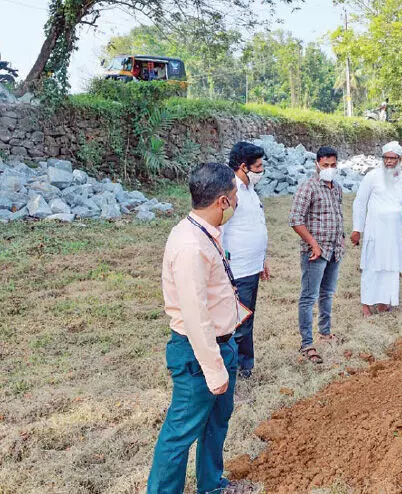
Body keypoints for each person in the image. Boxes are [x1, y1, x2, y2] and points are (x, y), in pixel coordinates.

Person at [148, 162, 259, 494]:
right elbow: (195, 317)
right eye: (235, 195)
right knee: (180, 433)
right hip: (199, 354)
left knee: (215, 423)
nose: (238, 201)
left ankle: (211, 485)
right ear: (222, 202)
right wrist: (214, 369)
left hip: (221, 346)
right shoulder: (190, 246)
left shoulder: (204, 232)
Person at [288, 146, 345, 365]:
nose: (329, 169)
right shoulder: (308, 187)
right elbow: (295, 219)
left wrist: (340, 239)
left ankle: (325, 332)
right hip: (315, 252)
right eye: (325, 165)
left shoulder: (337, 188)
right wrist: (314, 244)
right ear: (317, 164)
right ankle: (307, 343)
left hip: (334, 250)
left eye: (333, 165)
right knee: (309, 297)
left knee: (327, 293)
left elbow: (337, 215)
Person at [223, 142, 269, 380]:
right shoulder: (231, 191)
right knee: (238, 321)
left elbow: (254, 225)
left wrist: (262, 260)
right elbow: (221, 228)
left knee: (247, 317)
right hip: (237, 269)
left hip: (252, 266)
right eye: (258, 166)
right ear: (244, 166)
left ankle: (245, 365)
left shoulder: (249, 189)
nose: (261, 171)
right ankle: (236, 369)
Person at [351, 141, 402, 317]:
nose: (389, 161)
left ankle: (384, 303)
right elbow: (360, 202)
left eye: (393, 158)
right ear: (382, 158)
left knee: (391, 268)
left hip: (393, 233)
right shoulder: (372, 176)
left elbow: (398, 204)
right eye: (386, 158)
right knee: (372, 266)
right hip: (375, 230)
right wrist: (357, 229)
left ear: (399, 159)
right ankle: (367, 305)